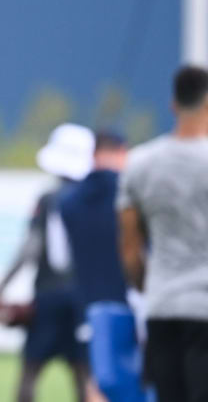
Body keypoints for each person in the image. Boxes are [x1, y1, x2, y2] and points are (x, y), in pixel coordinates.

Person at [117, 65, 208, 402]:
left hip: (163, 304)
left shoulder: (140, 162)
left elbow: (129, 247)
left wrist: (147, 287)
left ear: (173, 105)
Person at [0, 123, 94, 402]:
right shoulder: (93, 200)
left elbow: (31, 249)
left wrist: (2, 286)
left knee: (30, 372)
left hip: (48, 295)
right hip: (82, 298)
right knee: (83, 374)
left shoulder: (48, 199)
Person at [60, 132, 149, 402]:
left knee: (98, 384)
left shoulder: (68, 201)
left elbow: (60, 259)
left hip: (89, 306)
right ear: (123, 152)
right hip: (133, 303)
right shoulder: (133, 192)